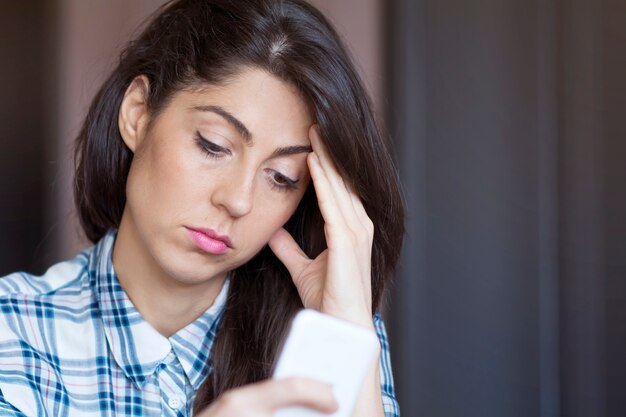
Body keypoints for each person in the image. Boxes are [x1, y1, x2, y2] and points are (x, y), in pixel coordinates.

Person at [0, 0, 405, 416]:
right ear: (137, 114)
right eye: (214, 145)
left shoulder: (336, 332)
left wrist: (346, 334)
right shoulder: (14, 333)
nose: (238, 200)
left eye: (281, 177)